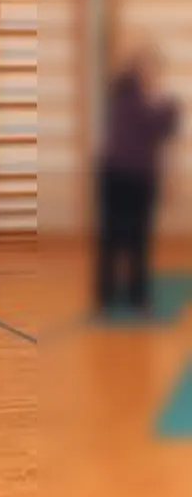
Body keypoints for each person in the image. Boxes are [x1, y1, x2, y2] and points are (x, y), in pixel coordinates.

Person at [96, 35, 178, 314]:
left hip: (142, 177)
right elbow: (155, 122)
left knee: (139, 238)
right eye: (147, 66)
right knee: (112, 236)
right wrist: (167, 109)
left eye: (154, 67)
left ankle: (136, 295)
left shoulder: (148, 97)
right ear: (137, 68)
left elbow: (165, 131)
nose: (152, 72)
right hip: (117, 175)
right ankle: (106, 295)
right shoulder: (124, 92)